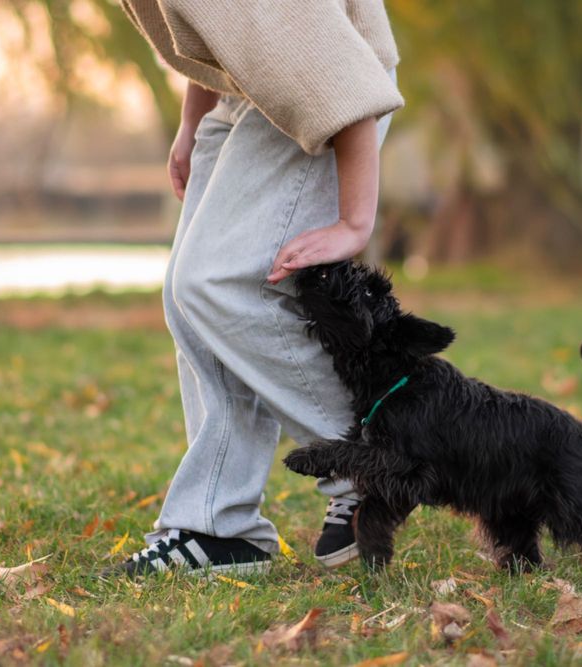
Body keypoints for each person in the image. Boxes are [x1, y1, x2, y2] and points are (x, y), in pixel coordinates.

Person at [111, 0, 403, 575]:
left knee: (216, 283)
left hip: (330, 95)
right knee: (189, 299)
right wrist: (194, 119)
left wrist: (355, 222)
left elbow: (339, 77)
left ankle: (373, 463)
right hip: (247, 92)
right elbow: (221, 29)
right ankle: (221, 528)